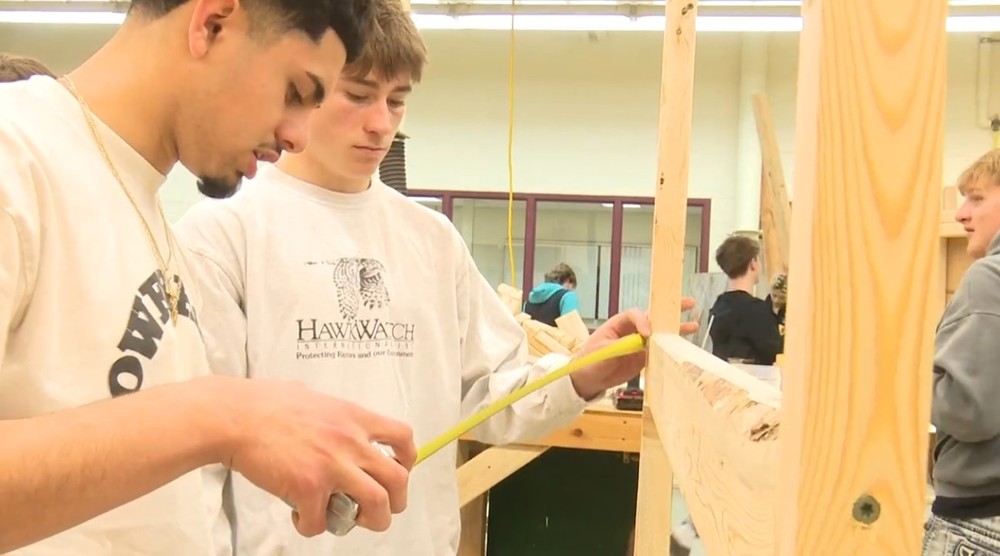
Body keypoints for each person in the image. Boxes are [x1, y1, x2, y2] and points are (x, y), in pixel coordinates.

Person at [173, 1, 698, 554]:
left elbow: (490, 393)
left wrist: (583, 373)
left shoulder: (431, 240)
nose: (381, 124)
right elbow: (197, 460)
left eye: (397, 101)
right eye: (357, 95)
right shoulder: (223, 236)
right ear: (308, 80)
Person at [0, 0, 421, 554]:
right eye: (296, 91)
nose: (297, 135)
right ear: (212, 23)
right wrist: (223, 415)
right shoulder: (16, 155)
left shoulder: (136, 199)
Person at [924, 149, 1000, 554]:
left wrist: (902, 375)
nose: (961, 214)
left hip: (976, 523)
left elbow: (969, 410)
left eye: (977, 198)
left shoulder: (990, 277)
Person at [707, 235, 783, 365]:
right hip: (751, 382)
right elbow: (776, 347)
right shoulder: (755, 310)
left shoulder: (719, 305)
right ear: (753, 263)